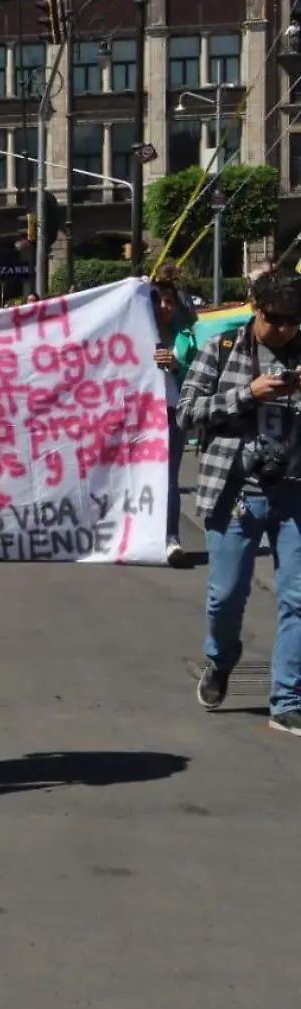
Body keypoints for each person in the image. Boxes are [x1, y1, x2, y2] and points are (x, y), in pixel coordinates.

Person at [178, 270, 301, 736]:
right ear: (256, 308)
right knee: (227, 596)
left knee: (298, 598)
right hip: (235, 492)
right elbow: (187, 412)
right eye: (276, 319)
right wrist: (247, 394)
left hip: (294, 490)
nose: (285, 329)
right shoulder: (222, 349)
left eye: (295, 320)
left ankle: (287, 697)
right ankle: (221, 660)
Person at [153, 273, 197, 567]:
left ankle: (170, 538)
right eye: (159, 301)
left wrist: (176, 366)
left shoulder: (186, 339)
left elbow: (196, 379)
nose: (165, 307)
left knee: (168, 478)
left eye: (170, 301)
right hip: (141, 415)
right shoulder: (138, 330)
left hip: (172, 415)